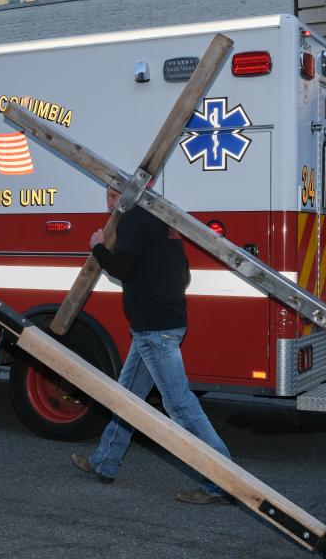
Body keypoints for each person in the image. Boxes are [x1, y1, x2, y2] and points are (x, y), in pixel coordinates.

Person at [70, 186, 234, 505]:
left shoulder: (132, 220)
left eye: (113, 196)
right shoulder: (166, 223)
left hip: (155, 330)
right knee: (126, 398)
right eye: (107, 196)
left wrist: (98, 248)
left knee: (179, 405)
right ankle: (105, 462)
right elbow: (184, 274)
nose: (109, 203)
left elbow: (123, 269)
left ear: (130, 196)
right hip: (164, 324)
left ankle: (222, 481)